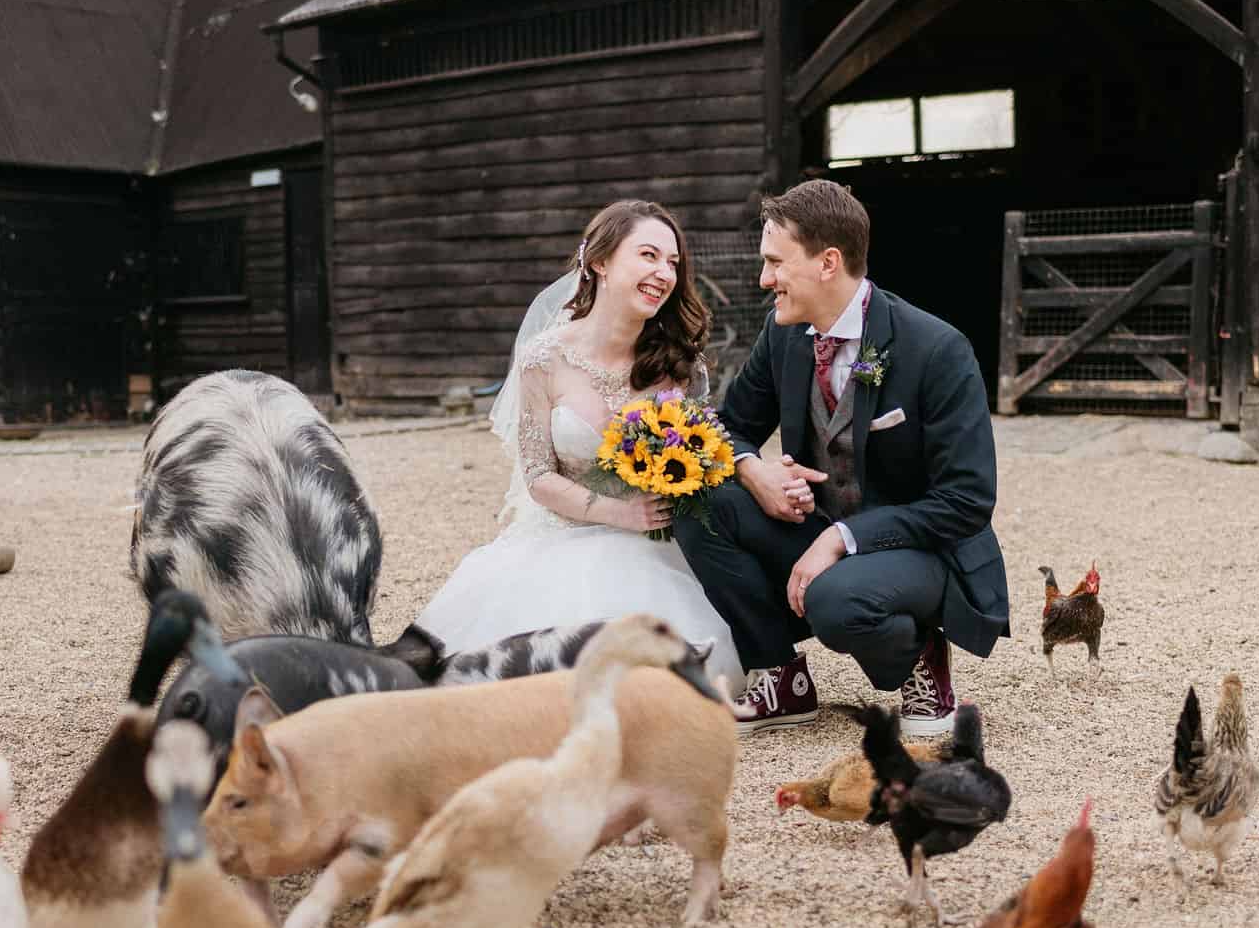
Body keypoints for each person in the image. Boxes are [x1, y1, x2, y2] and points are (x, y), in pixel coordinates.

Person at [674, 180, 1008, 737]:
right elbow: (727, 426)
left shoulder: (937, 348)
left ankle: (922, 652)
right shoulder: (784, 336)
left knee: (836, 600)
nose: (764, 280)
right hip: (821, 522)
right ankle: (782, 677)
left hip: (921, 550)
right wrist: (755, 471)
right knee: (696, 499)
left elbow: (966, 500)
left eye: (775, 262)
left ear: (828, 262)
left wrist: (838, 540)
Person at [414, 200, 744, 692]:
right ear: (600, 262)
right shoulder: (544, 360)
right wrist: (618, 513)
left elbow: (699, 454)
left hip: (660, 545)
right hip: (561, 538)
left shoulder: (678, 362)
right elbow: (539, 475)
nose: (664, 273)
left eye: (673, 263)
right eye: (649, 256)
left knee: (680, 679)